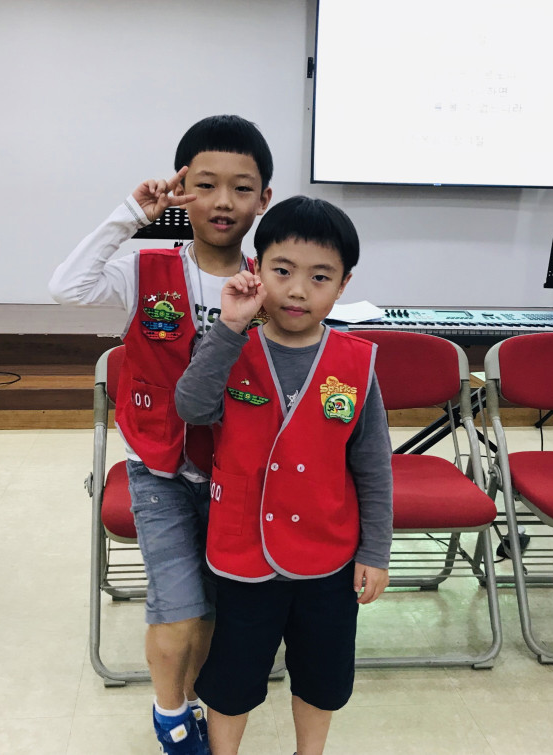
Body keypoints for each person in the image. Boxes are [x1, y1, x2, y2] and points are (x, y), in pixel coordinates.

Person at [49, 115, 273, 755]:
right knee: (178, 606)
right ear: (181, 190)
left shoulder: (270, 280)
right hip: (161, 470)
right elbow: (66, 288)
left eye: (241, 188)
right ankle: (169, 711)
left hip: (238, 473)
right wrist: (132, 214)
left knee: (212, 606)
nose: (223, 201)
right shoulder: (145, 269)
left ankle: (196, 697)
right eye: (205, 184)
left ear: (264, 199)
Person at [175, 196, 393, 755]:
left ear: (343, 285)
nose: (298, 290)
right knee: (233, 674)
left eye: (319, 277)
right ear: (257, 269)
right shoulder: (230, 345)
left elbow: (372, 465)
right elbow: (191, 408)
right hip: (244, 552)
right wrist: (229, 327)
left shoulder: (356, 362)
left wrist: (375, 551)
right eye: (282, 271)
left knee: (322, 675)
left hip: (329, 555)